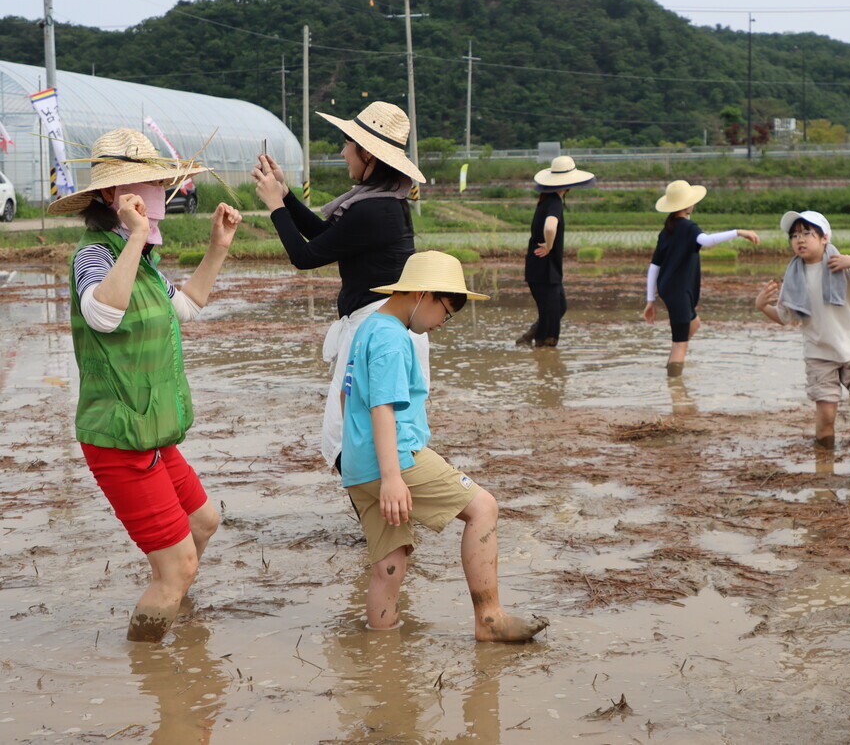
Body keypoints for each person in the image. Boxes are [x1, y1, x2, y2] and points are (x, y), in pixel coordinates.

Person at [50, 128, 242, 642]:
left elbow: (187, 306)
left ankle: (174, 597)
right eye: (151, 182)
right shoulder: (93, 255)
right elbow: (104, 317)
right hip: (118, 437)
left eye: (161, 181)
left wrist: (217, 247)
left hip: (150, 431)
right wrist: (135, 236)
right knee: (176, 565)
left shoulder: (147, 266)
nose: (161, 192)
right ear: (116, 198)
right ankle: (148, 657)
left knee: (203, 522)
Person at [340, 250, 549, 641]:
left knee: (389, 566)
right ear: (422, 294)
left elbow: (344, 398)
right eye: (445, 312)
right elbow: (383, 409)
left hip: (357, 465)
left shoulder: (368, 328)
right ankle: (490, 619)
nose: (441, 323)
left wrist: (360, 461)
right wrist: (391, 477)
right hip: (395, 461)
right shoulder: (392, 339)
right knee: (483, 508)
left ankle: (382, 653)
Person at [251, 101, 424, 467]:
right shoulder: (380, 201)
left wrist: (274, 206)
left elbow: (306, 256)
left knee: (359, 437)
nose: (343, 151)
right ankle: (381, 504)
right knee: (366, 434)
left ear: (369, 155)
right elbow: (323, 235)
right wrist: (283, 194)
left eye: (348, 143)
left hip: (377, 333)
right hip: (379, 327)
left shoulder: (373, 209)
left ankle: (383, 506)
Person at [755, 210, 850, 447]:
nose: (800, 240)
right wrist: (762, 306)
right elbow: (785, 318)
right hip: (819, 355)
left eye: (807, 233)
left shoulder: (844, 267)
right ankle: (823, 471)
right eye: (794, 235)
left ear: (824, 237)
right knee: (826, 417)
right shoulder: (793, 277)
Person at [643, 180, 759, 376]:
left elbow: (654, 267)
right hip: (678, 292)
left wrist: (651, 300)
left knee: (694, 324)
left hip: (670, 289)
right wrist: (739, 232)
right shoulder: (687, 227)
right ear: (688, 205)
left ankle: (672, 362)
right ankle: (676, 389)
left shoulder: (667, 231)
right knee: (681, 343)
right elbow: (706, 241)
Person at [517, 155, 596, 348]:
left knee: (559, 307)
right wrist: (549, 246)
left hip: (543, 268)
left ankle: (531, 337)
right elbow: (550, 227)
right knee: (551, 317)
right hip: (543, 267)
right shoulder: (554, 202)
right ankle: (544, 356)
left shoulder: (548, 200)